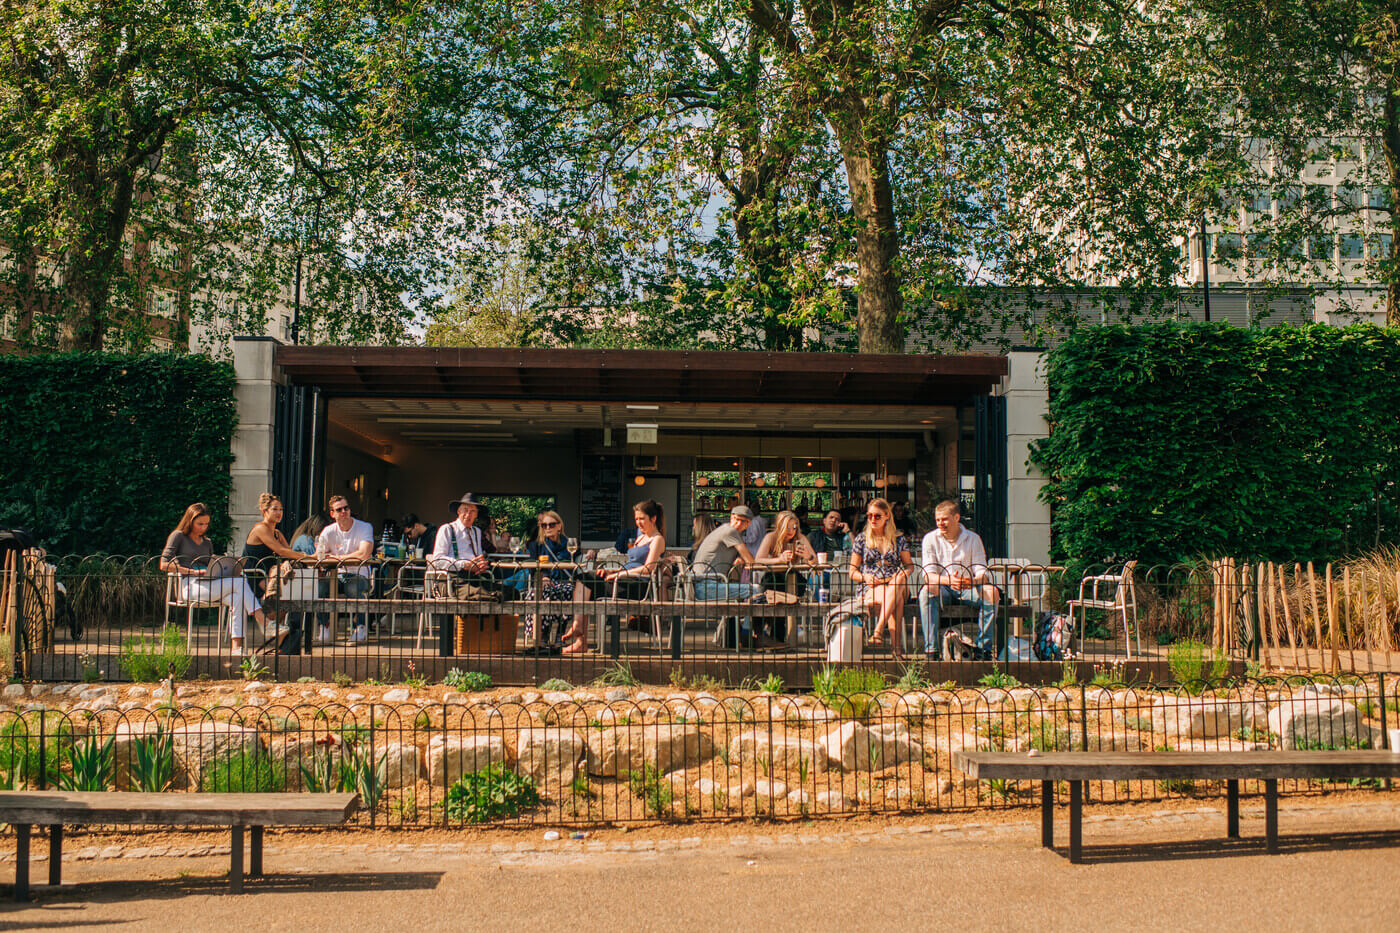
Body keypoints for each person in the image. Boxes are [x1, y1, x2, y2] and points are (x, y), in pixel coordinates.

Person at [161, 502, 274, 656]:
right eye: (200, 524)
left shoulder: (207, 542)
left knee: (237, 597)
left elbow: (211, 566)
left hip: (210, 584)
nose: (203, 528)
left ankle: (237, 647)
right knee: (239, 583)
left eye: (206, 524)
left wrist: (225, 569)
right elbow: (163, 564)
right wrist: (192, 571)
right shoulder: (178, 536)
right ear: (190, 521)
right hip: (190, 585)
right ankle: (264, 621)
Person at [690, 505, 795, 649]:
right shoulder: (730, 531)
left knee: (756, 591)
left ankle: (753, 634)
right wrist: (778, 560)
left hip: (703, 584)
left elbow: (741, 558)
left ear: (748, 524)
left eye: (743, 521)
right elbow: (752, 562)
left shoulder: (725, 530)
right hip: (706, 587)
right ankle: (750, 634)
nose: (738, 523)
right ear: (731, 517)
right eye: (736, 519)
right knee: (757, 590)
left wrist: (739, 559)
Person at [919, 498, 1000, 659]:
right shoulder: (930, 539)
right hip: (943, 588)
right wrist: (949, 580)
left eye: (944, 519)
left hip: (969, 587)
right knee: (926, 591)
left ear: (956, 518)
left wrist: (973, 581)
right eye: (937, 520)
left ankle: (983, 650)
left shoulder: (973, 538)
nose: (940, 523)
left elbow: (982, 570)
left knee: (992, 592)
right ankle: (932, 651)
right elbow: (928, 574)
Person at [241, 493, 311, 653]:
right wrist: (308, 557)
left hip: (271, 576)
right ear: (264, 511)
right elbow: (280, 550)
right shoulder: (260, 529)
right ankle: (274, 630)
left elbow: (287, 553)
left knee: (295, 591)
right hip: (254, 576)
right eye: (274, 509)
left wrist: (291, 561)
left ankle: (279, 637)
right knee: (287, 592)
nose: (279, 513)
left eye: (281, 509)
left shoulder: (277, 533)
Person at [850, 497, 914, 661]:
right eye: (869, 515)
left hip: (896, 583)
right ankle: (897, 652)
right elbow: (852, 571)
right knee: (895, 599)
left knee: (898, 581)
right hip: (873, 586)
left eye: (877, 516)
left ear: (887, 516)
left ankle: (878, 630)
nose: (872, 519)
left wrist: (903, 573)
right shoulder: (862, 539)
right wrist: (864, 576)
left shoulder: (899, 538)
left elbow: (909, 566)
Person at [526, 510, 593, 653]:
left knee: (567, 593)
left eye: (551, 524)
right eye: (544, 525)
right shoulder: (536, 545)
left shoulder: (569, 544)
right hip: (543, 581)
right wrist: (543, 577)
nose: (547, 528)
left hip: (566, 581)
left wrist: (589, 555)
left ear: (559, 526)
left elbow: (578, 562)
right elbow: (532, 566)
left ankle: (560, 635)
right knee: (538, 595)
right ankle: (541, 636)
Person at [315, 495, 375, 645]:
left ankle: (360, 627)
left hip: (359, 574)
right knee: (319, 588)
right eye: (339, 509)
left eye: (346, 508)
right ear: (332, 514)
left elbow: (364, 553)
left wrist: (336, 558)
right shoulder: (328, 531)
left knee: (353, 588)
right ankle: (324, 626)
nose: (343, 511)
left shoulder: (364, 527)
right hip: (336, 575)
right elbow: (320, 555)